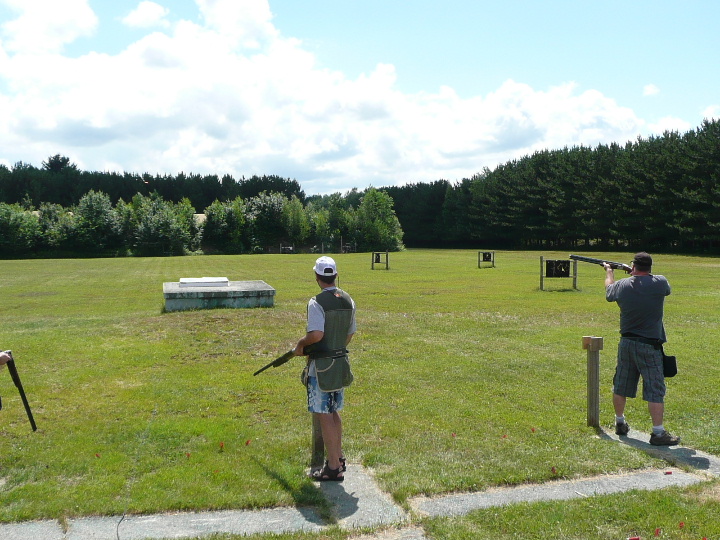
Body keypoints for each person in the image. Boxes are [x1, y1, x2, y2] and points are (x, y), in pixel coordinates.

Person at [604, 252, 678, 446]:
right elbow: (661, 286)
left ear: (633, 266)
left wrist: (609, 272)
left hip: (627, 343)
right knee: (655, 389)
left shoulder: (621, 285)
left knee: (621, 384)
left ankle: (619, 422)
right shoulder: (660, 283)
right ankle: (658, 433)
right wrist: (634, 273)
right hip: (649, 346)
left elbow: (609, 291)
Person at [294, 256, 356, 481]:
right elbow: (349, 333)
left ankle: (332, 467)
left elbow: (316, 335)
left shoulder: (316, 302)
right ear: (335, 276)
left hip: (321, 366)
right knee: (334, 411)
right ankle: (338, 458)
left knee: (323, 413)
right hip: (339, 364)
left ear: (317, 277)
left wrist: (301, 345)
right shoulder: (348, 300)